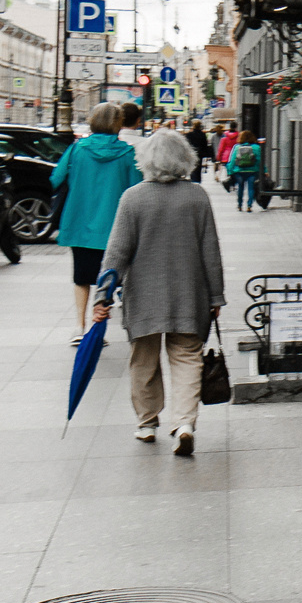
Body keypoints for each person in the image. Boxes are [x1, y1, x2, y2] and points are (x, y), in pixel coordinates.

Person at [95, 129, 225, 456]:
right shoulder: (197, 197)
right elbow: (210, 250)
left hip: (143, 296)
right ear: (185, 159)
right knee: (187, 358)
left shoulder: (132, 198)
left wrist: (103, 295)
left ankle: (147, 423)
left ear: (145, 160)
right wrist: (215, 296)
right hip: (189, 293)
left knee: (144, 360)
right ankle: (184, 423)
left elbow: (117, 253)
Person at [53, 103, 142, 344]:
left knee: (81, 277)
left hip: (79, 223)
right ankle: (97, 326)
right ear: (118, 123)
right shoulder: (127, 153)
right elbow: (136, 190)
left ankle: (79, 327)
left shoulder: (76, 149)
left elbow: (56, 179)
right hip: (115, 227)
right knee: (111, 277)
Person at [224, 131, 264, 211]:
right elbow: (260, 161)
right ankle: (249, 205)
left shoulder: (237, 147)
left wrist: (229, 171)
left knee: (240, 188)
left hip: (239, 171)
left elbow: (232, 160)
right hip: (252, 171)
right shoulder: (256, 147)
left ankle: (239, 205)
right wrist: (264, 170)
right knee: (251, 188)